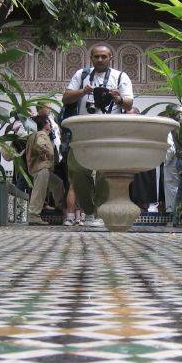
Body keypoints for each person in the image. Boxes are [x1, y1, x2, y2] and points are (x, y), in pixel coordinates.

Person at [61, 45, 133, 228]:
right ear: (91, 58)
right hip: (82, 131)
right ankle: (88, 208)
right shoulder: (82, 74)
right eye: (96, 56)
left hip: (109, 131)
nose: (100, 59)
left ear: (111, 58)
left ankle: (99, 213)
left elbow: (129, 104)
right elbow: (66, 98)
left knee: (104, 173)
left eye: (104, 56)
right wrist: (83, 92)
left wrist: (117, 99)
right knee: (76, 170)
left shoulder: (120, 76)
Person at [26, 116, 65, 226]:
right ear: (44, 124)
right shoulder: (41, 134)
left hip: (39, 167)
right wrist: (48, 154)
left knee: (57, 183)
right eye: (48, 123)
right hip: (41, 167)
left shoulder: (35, 134)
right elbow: (40, 145)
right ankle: (33, 215)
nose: (50, 125)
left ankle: (59, 206)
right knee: (39, 191)